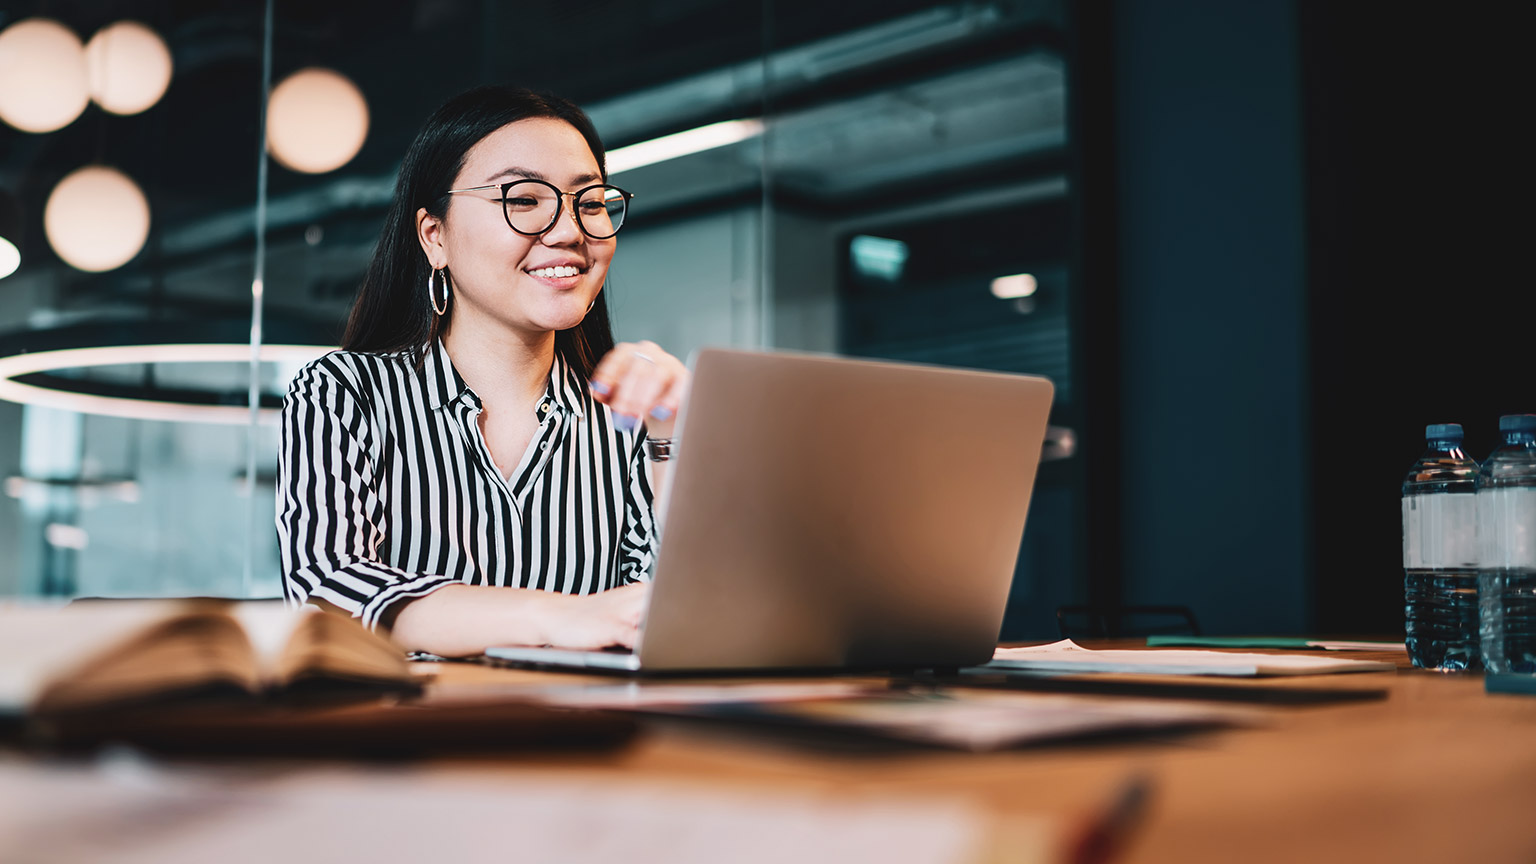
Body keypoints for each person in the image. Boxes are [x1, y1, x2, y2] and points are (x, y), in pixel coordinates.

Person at [276, 85, 688, 658]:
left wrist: (673, 438)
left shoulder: (629, 419)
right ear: (434, 236)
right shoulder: (347, 393)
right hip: (412, 740)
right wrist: (558, 618)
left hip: (591, 741)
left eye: (590, 202)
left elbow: (683, 616)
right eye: (523, 199)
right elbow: (331, 591)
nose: (570, 231)